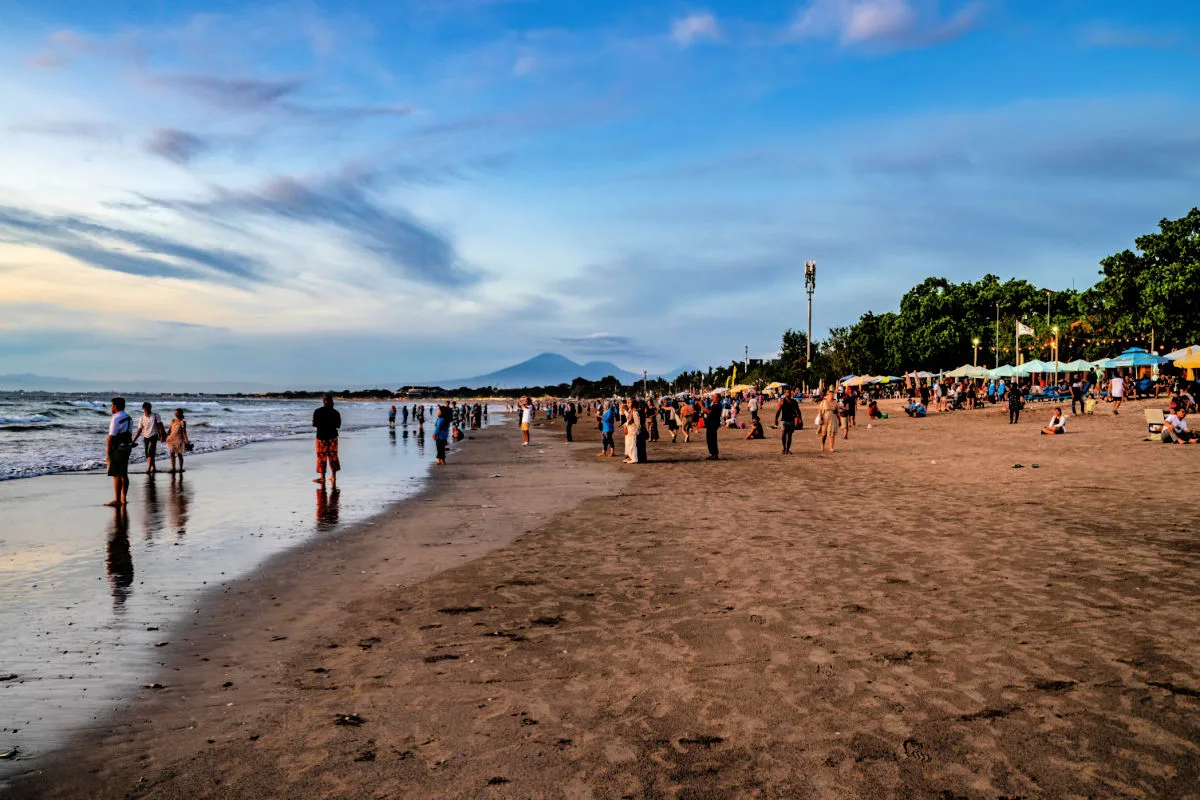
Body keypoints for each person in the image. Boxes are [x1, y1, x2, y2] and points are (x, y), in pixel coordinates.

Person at [105, 397, 133, 507]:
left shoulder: (116, 418)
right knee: (124, 474)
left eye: (111, 405)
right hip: (127, 446)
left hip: (118, 448)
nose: (111, 407)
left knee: (116, 474)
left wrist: (108, 451)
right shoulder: (128, 417)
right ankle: (123, 498)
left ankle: (117, 499)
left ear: (115, 406)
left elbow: (111, 437)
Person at [312, 393, 341, 485]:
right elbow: (338, 426)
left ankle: (322, 477)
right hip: (333, 437)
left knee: (321, 457)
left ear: (324, 401)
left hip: (321, 437)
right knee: (333, 456)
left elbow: (314, 424)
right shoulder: (336, 412)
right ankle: (333, 476)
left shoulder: (317, 411)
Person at [131, 401, 165, 475]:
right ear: (143, 409)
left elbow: (159, 426)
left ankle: (149, 468)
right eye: (145, 408)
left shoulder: (155, 415)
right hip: (146, 436)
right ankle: (154, 467)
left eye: (148, 408)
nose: (147, 410)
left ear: (150, 408)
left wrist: (161, 435)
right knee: (147, 453)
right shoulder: (141, 418)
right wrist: (134, 439)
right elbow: (140, 430)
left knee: (150, 452)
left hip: (154, 435)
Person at [775, 388, 801, 455]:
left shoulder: (794, 402)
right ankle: (784, 448)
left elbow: (798, 411)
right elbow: (778, 411)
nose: (788, 394)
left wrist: (799, 418)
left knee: (789, 435)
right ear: (785, 393)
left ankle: (787, 449)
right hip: (784, 420)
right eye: (787, 392)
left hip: (791, 421)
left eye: (789, 392)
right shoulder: (782, 402)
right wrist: (776, 419)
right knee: (783, 434)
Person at [165, 408, 191, 473]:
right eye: (175, 413)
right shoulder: (173, 421)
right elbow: (169, 431)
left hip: (179, 440)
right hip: (171, 439)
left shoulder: (183, 422)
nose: (175, 414)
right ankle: (173, 468)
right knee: (172, 454)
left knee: (179, 454)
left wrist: (187, 441)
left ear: (180, 413)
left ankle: (181, 468)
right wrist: (164, 436)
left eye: (176, 413)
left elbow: (184, 432)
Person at [704, 393, 722, 460]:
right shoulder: (714, 405)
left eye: (714, 397)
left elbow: (708, 411)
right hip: (710, 423)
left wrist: (701, 405)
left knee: (712, 439)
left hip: (713, 424)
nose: (713, 398)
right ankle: (712, 453)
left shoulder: (718, 406)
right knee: (709, 439)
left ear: (718, 398)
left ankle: (715, 454)